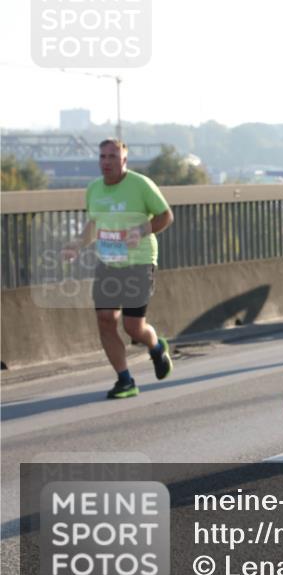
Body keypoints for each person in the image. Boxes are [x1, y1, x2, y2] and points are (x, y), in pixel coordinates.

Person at [61, 139, 174, 399]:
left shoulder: (140, 185)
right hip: (108, 263)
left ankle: (156, 347)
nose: (106, 162)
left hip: (139, 262)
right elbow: (94, 224)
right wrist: (77, 243)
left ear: (124, 160)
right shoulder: (94, 189)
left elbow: (165, 215)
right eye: (102, 157)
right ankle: (125, 380)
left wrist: (141, 230)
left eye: (113, 157)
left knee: (133, 328)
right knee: (105, 320)